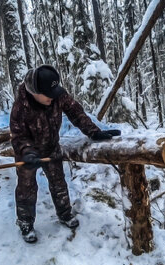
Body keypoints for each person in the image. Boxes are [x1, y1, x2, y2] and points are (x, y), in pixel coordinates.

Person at [10, 64, 120, 243]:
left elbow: (75, 111)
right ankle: (25, 222)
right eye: (49, 95)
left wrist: (93, 131)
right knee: (26, 187)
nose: (54, 98)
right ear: (35, 92)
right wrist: (27, 153)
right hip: (28, 152)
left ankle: (64, 213)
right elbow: (18, 136)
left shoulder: (56, 94)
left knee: (58, 182)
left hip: (51, 146)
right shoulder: (20, 107)